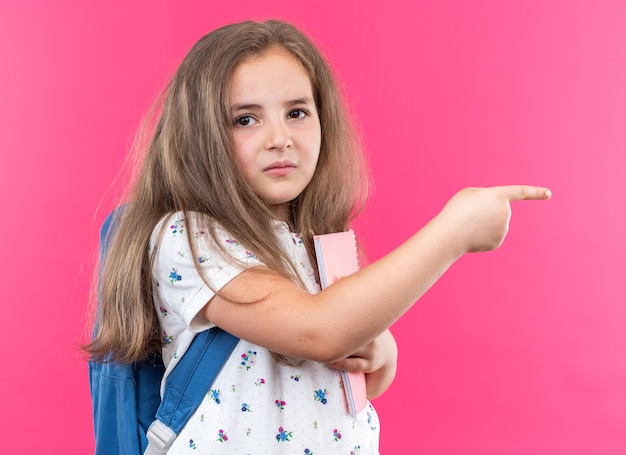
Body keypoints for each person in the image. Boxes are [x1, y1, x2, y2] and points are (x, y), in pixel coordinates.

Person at [86, 19, 551, 454]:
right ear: (199, 138)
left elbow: (344, 382)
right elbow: (318, 331)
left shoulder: (313, 243)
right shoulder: (187, 238)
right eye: (246, 119)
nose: (280, 138)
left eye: (297, 112)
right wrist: (453, 233)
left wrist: (380, 352)